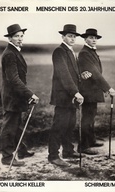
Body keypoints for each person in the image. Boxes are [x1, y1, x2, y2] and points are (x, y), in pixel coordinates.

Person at [0, 24, 39, 166]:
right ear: (10, 38)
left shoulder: (14, 51)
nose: (20, 39)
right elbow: (13, 79)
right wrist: (30, 94)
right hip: (12, 97)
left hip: (15, 96)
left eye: (21, 36)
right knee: (9, 127)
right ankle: (7, 157)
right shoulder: (10, 53)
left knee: (17, 125)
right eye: (17, 36)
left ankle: (21, 150)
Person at [48, 24, 84, 167]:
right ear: (63, 37)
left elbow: (74, 75)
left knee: (70, 124)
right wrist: (75, 92)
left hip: (71, 96)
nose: (72, 38)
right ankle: (53, 155)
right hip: (63, 96)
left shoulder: (71, 51)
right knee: (59, 125)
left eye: (74, 36)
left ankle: (68, 151)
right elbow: (64, 75)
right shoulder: (59, 51)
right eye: (70, 36)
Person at [77, 28, 115, 155]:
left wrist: (102, 88)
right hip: (87, 91)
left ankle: (91, 140)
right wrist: (108, 88)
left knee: (91, 116)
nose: (94, 40)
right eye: (91, 38)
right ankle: (83, 146)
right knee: (87, 118)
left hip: (93, 90)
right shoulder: (84, 53)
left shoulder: (90, 52)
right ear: (85, 39)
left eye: (95, 38)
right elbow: (94, 73)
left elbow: (96, 72)